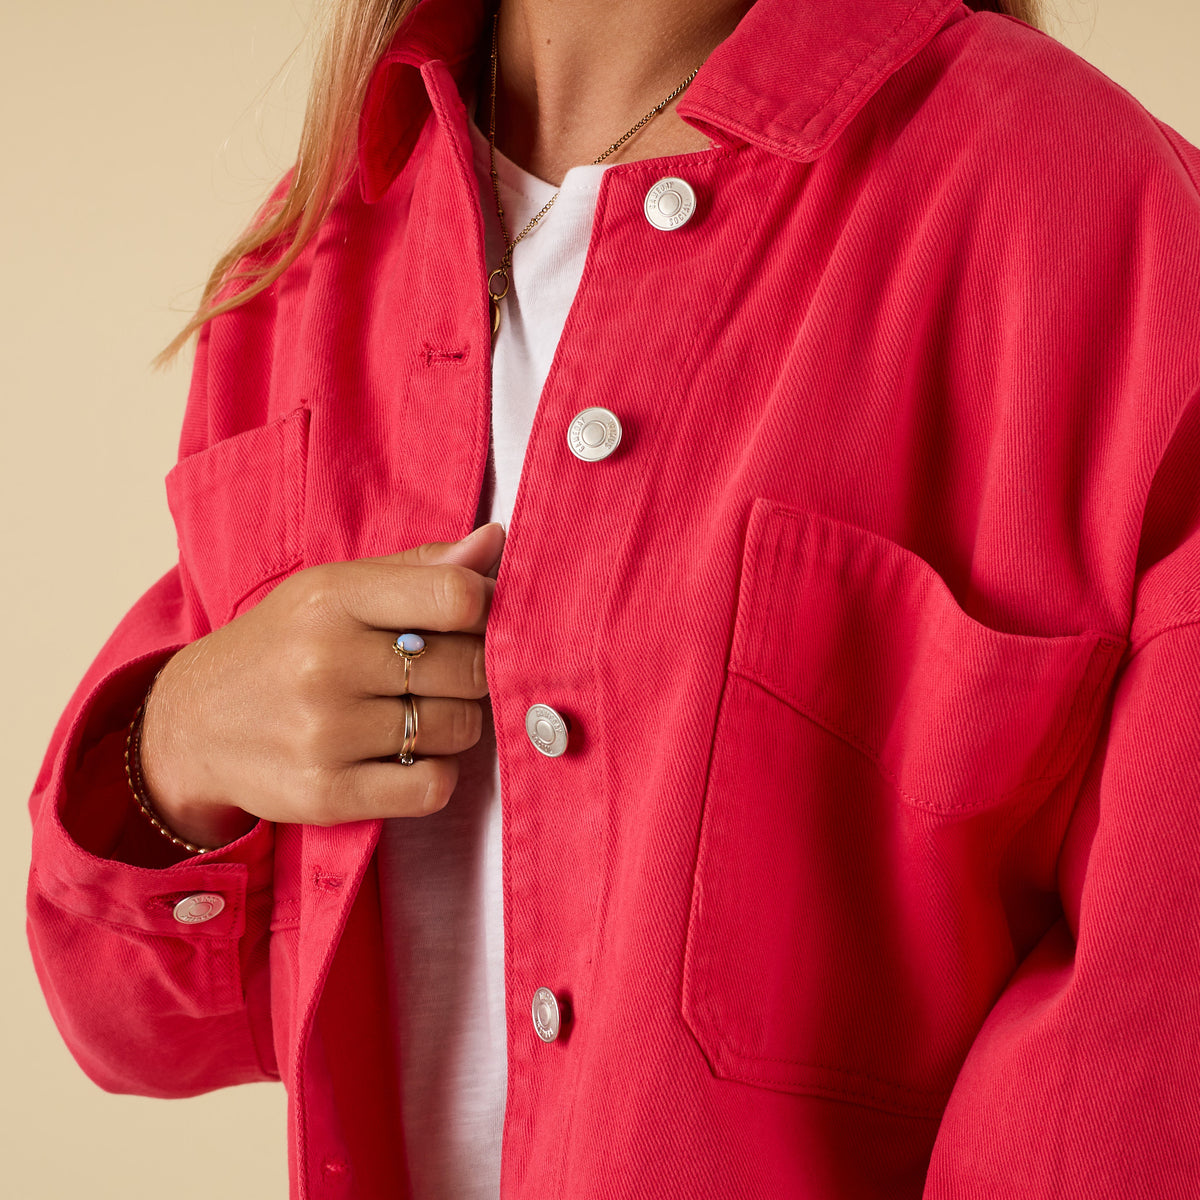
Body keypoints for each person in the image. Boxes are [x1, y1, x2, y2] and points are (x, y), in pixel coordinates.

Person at [26, 0, 1200, 1195]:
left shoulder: (1100, 226)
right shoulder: (315, 248)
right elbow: (133, 1021)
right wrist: (178, 750)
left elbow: (1141, 1074)